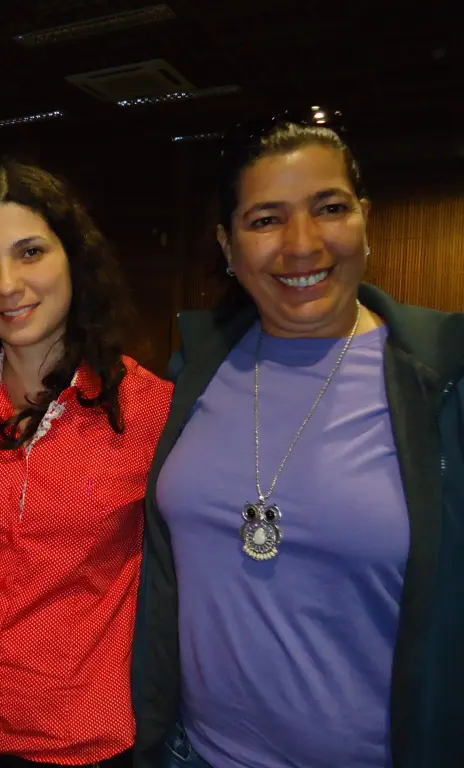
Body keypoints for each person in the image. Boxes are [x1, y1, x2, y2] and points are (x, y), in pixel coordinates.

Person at [133, 113, 464, 768]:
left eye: (330, 208)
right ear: (227, 247)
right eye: (266, 220)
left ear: (364, 219)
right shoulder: (193, 371)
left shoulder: (445, 383)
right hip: (194, 755)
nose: (303, 244)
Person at [0, 159, 173, 767]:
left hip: (84, 739)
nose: (7, 284)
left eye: (30, 253)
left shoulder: (152, 412)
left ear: (73, 259)